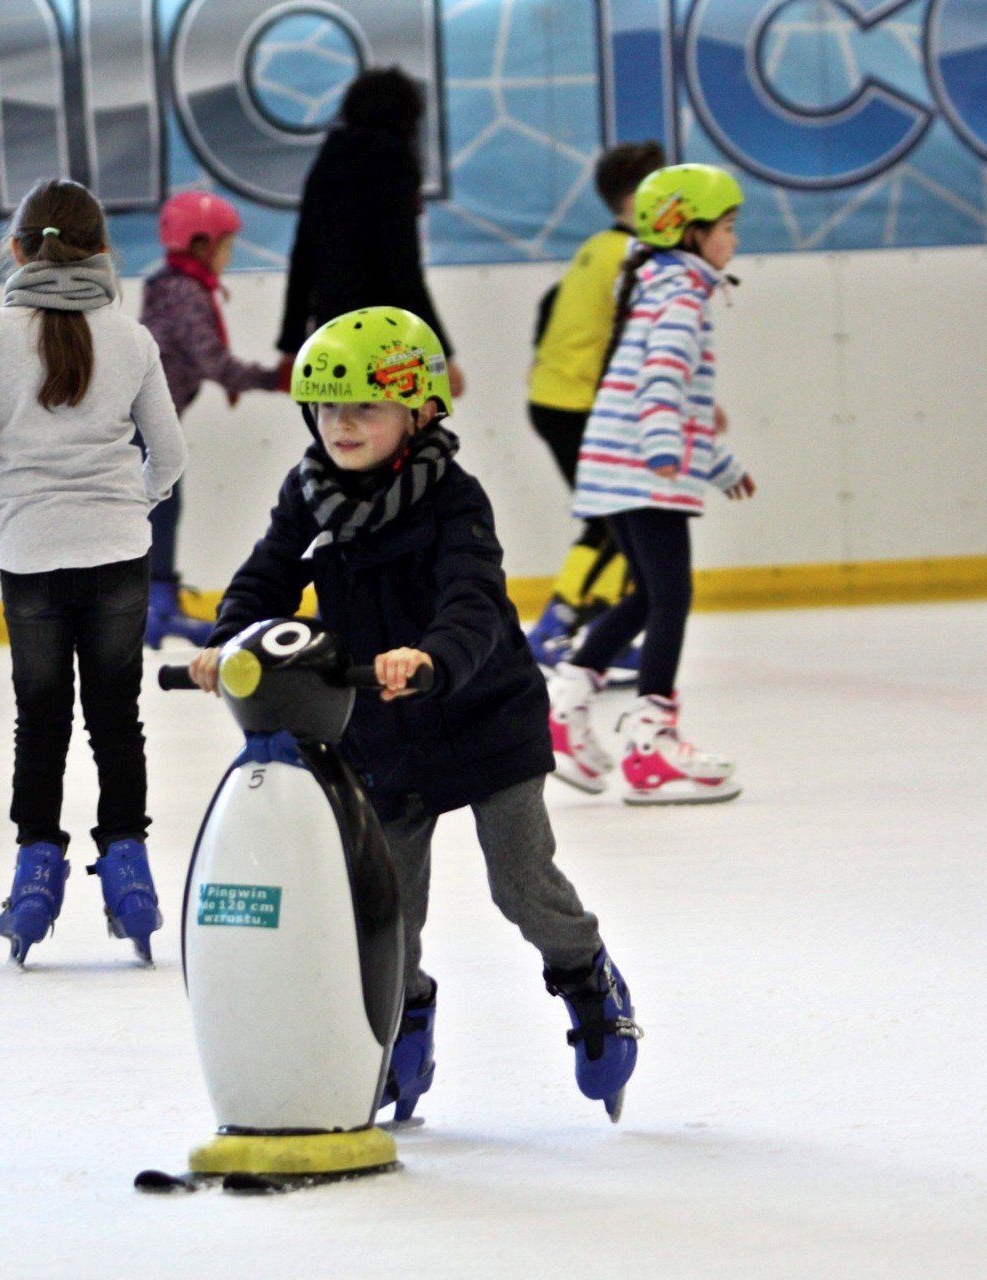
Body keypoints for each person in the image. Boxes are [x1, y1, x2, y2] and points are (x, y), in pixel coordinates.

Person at [191, 306, 639, 1123]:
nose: (341, 424)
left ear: (421, 409)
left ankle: (587, 977)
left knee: (522, 883)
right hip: (383, 732)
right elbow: (265, 578)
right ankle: (406, 1021)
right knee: (390, 906)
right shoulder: (309, 493)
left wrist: (433, 657)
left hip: (482, 717)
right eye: (327, 408)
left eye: (363, 406)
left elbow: (472, 598)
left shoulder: (455, 499)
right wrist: (226, 642)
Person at [0, 179, 183, 965]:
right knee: (117, 718)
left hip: (31, 553)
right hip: (117, 551)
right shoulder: (132, 338)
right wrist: (132, 504)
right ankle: (130, 873)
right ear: (103, 252)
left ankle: (35, 871)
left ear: (16, 249)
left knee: (40, 718)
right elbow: (170, 456)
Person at [546, 164, 756, 805]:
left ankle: (565, 706)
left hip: (615, 465)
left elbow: (674, 395)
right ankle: (651, 746)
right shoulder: (682, 295)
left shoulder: (656, 284)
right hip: (643, 469)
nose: (734, 239)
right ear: (687, 232)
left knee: (644, 598)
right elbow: (661, 381)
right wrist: (666, 449)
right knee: (672, 598)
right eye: (726, 227)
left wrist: (718, 465)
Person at [523, 140, 665, 671]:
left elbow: (552, 304)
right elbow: (637, 334)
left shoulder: (599, 246)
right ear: (638, 197)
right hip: (578, 404)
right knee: (615, 520)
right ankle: (556, 627)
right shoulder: (633, 253)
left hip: (558, 397)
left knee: (617, 519)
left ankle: (594, 630)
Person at [138, 190, 282, 648]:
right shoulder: (185, 293)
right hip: (140, 423)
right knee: (160, 508)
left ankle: (157, 604)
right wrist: (277, 378)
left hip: (145, 419)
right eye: (225, 245)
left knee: (162, 506)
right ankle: (155, 609)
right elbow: (213, 362)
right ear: (200, 243)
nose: (228, 256)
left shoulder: (168, 284)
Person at [276, 68, 464, 399]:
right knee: (389, 436)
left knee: (339, 433)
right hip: (386, 332)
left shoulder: (327, 160)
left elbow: (303, 257)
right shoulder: (395, 161)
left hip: (332, 329)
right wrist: (442, 356)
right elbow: (402, 267)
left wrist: (291, 344)